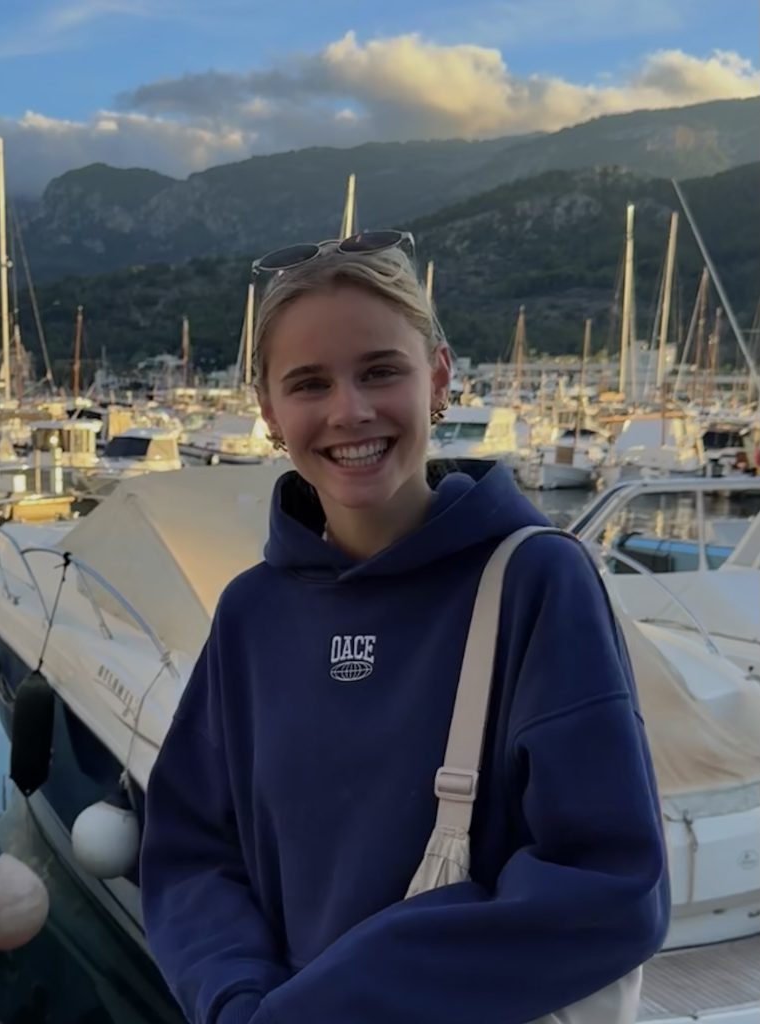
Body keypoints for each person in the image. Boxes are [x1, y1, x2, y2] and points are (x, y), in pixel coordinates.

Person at [140, 233, 670, 1024]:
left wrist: (319, 1010)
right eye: (309, 383)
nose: (349, 411)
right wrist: (236, 1000)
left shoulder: (534, 581)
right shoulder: (252, 612)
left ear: (439, 378)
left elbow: (607, 881)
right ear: (269, 412)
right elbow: (192, 854)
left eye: (380, 371)